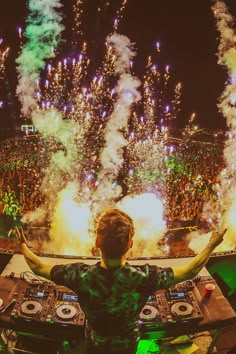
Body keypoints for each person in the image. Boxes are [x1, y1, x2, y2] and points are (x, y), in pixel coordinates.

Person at [16, 208, 227, 354]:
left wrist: (23, 246)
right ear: (130, 244)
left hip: (95, 344)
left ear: (97, 242)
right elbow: (191, 270)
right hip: (127, 345)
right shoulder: (144, 276)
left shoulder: (79, 275)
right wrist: (212, 244)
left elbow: (37, 267)